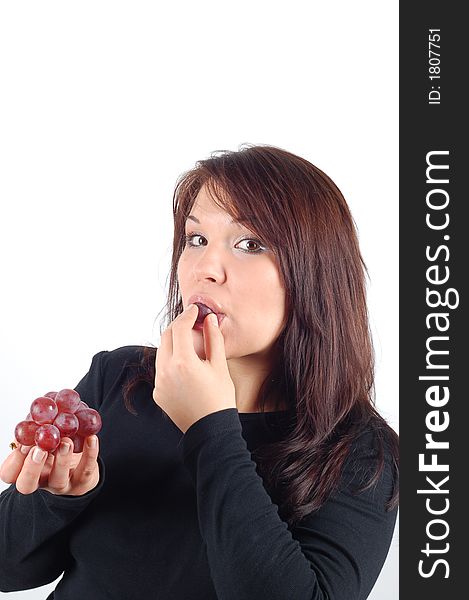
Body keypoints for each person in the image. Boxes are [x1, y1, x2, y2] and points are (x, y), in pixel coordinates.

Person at [0, 144, 399, 600]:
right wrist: (58, 499)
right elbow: (9, 569)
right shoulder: (120, 378)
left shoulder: (362, 454)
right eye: (196, 240)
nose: (206, 269)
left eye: (250, 243)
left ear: (316, 273)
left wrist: (209, 427)